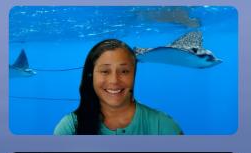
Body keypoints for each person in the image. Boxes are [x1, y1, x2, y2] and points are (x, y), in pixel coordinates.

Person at [54, 39, 182, 135]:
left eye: (124, 71)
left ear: (134, 74)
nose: (114, 81)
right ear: (91, 75)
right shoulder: (70, 127)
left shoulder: (163, 126)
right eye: (105, 71)